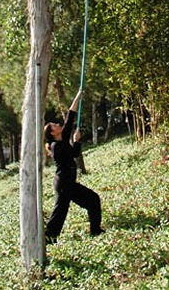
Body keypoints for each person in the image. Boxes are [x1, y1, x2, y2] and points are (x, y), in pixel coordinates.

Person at [44, 89, 104, 243]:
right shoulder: (55, 146)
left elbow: (70, 116)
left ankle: (95, 230)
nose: (58, 124)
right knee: (60, 211)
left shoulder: (61, 140)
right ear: (53, 133)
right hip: (63, 183)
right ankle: (49, 236)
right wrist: (76, 141)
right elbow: (73, 154)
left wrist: (78, 95)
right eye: (54, 125)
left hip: (68, 183)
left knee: (93, 199)